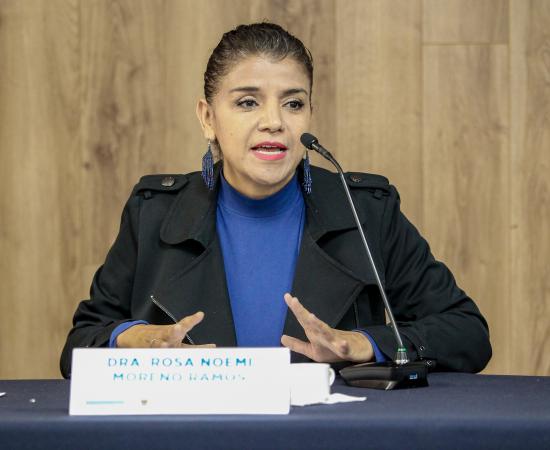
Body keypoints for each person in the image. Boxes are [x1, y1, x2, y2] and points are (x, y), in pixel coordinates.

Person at [60, 22, 491, 379]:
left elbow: (467, 332)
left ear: (309, 114)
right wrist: (135, 338)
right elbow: (79, 346)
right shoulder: (154, 213)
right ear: (208, 118)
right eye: (248, 102)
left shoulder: (366, 212)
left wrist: (364, 343)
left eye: (293, 103)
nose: (274, 122)